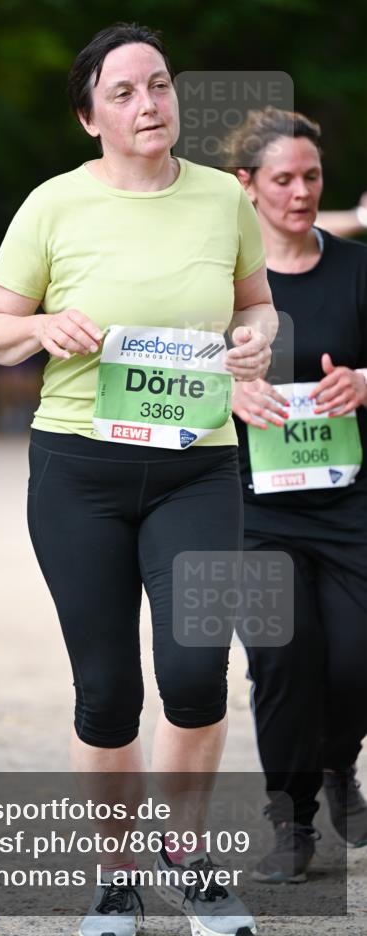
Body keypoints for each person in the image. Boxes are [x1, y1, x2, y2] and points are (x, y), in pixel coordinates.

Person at [0, 23, 277, 936]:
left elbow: (255, 302)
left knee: (193, 676)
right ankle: (114, 879)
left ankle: (188, 863)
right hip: (80, 470)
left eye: (160, 85)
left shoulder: (223, 197)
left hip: (197, 466)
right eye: (124, 92)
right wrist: (43, 326)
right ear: (88, 117)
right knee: (106, 691)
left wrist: (258, 337)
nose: (149, 104)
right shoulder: (52, 205)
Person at [224, 107, 367, 882]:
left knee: (352, 662)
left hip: (348, 506)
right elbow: (174, 389)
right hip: (253, 509)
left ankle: (336, 762)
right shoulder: (220, 282)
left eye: (310, 176)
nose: (300, 192)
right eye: (281, 178)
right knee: (282, 659)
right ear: (246, 186)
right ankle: (291, 822)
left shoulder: (356, 271)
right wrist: (230, 398)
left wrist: (364, 382)